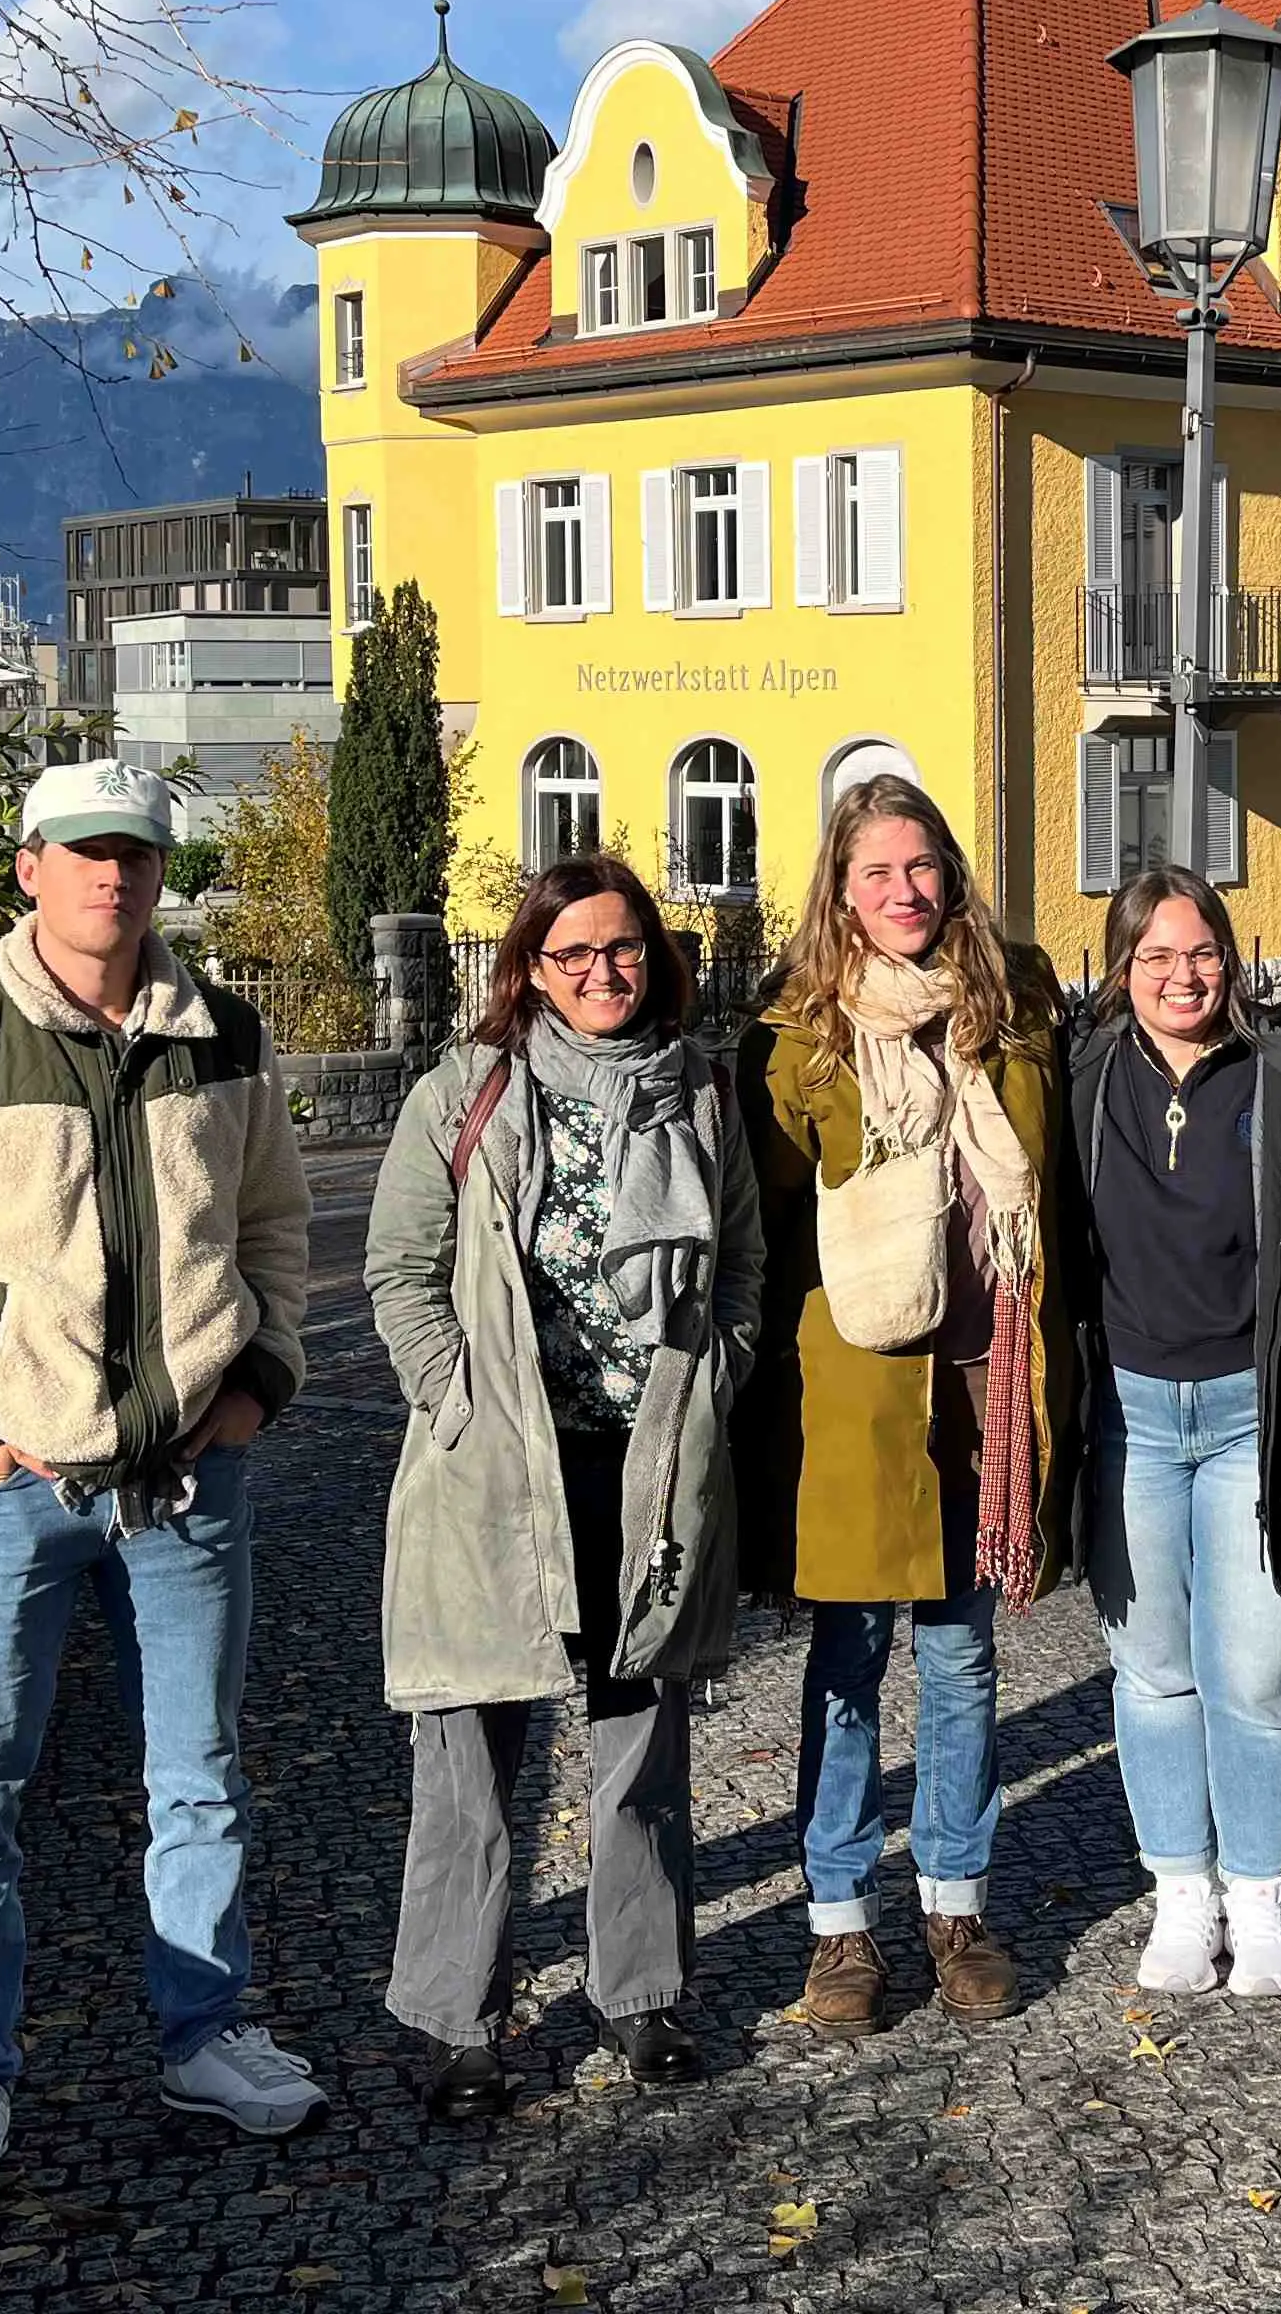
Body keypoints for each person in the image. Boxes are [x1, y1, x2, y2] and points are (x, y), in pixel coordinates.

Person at [0, 757, 324, 2217]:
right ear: (28, 866)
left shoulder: (222, 1037)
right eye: (85, 852)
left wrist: (255, 1381)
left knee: (200, 1777)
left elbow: (274, 1228)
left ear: (162, 870)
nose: (114, 876)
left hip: (185, 1484)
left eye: (137, 854)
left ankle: (204, 2037)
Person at [362, 854, 765, 2113]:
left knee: (640, 1749)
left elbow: (744, 1258)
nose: (601, 973)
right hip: (497, 1474)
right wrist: (458, 1398)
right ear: (530, 969)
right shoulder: (466, 1092)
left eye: (623, 949)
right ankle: (457, 2022)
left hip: (645, 1466)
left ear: (657, 954)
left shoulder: (697, 1091)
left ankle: (642, 1999)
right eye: (571, 954)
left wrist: (715, 1382)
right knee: (471, 1754)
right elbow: (399, 1271)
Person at [737, 775, 1077, 2036]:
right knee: (848, 1658)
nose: (905, 893)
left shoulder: (1017, 1011)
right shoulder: (797, 1038)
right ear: (840, 889)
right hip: (853, 1390)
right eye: (877, 874)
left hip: (988, 1368)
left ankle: (956, 1903)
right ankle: (839, 1928)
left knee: (964, 1653)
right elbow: (767, 1235)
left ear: (953, 874)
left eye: (923, 867)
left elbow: (1062, 1190)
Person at [1066, 865, 1281, 1999]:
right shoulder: (1081, 1086)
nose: (1182, 975)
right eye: (1155, 955)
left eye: (1201, 951)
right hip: (1132, 1418)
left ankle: (1261, 1899)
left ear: (1234, 957)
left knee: (1258, 1674)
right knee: (1154, 1672)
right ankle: (1181, 1894)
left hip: (1260, 1417)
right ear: (1122, 969)